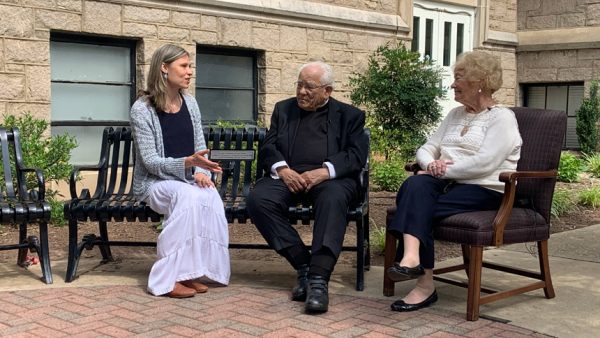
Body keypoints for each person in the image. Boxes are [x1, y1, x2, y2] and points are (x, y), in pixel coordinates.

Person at [386, 51, 522, 312]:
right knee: (414, 185)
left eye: (458, 78)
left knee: (415, 206)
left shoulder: (502, 118)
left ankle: (423, 286)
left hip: (485, 189)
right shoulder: (455, 114)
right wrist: (429, 165)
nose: (452, 85)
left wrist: (440, 170)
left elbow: (485, 163)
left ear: (480, 81)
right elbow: (427, 148)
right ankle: (412, 260)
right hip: (448, 184)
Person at [246, 61, 368, 312]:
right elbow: (268, 147)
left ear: (327, 90)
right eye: (299, 85)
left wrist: (325, 172)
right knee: (258, 199)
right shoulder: (283, 109)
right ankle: (304, 265)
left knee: (333, 199)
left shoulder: (350, 115)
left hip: (329, 180)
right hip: (288, 177)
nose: (302, 92)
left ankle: (318, 279)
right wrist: (283, 169)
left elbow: (356, 155)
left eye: (309, 87)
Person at [130, 44, 230, 298]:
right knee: (187, 197)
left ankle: (189, 272)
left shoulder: (190, 103)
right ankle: (166, 279)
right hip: (154, 184)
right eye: (183, 66)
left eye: (190, 66)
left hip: (186, 179)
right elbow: (151, 162)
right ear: (164, 68)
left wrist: (201, 170)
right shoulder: (142, 110)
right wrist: (187, 164)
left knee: (208, 195)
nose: (189, 72)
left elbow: (198, 148)